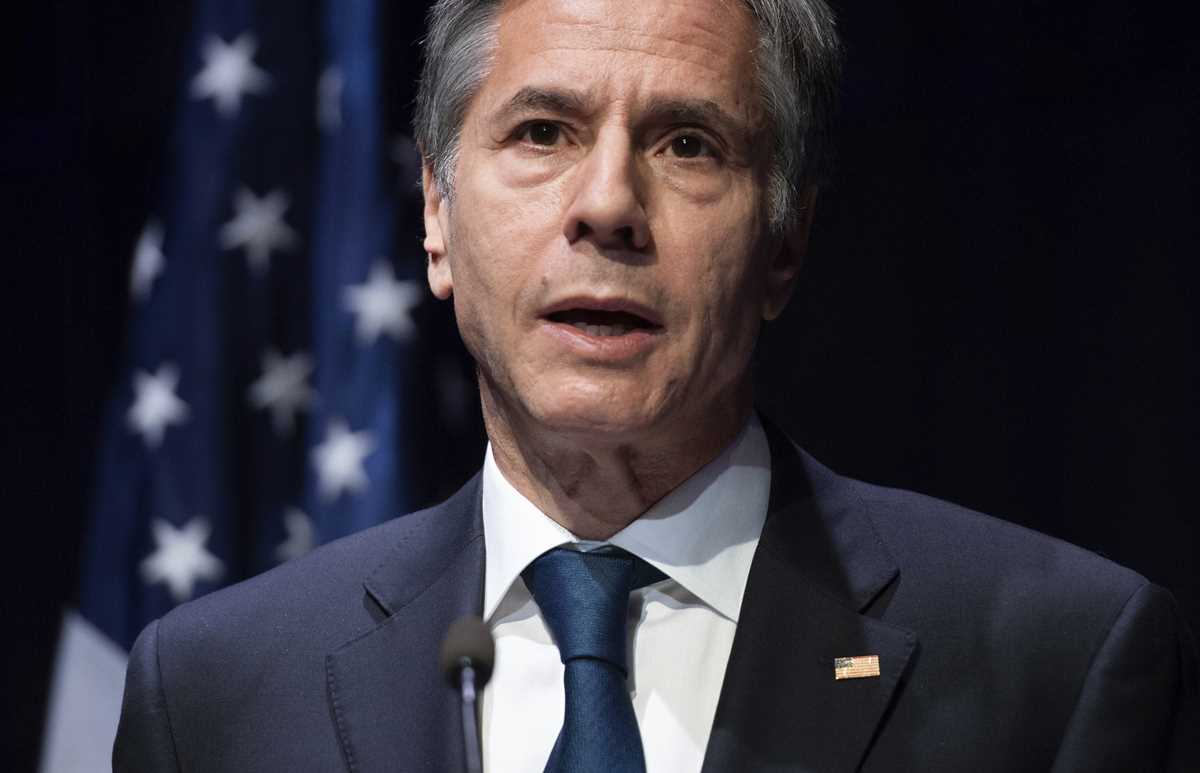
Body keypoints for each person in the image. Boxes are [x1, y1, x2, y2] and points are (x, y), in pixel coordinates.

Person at [113, 0, 1199, 770]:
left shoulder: (1059, 662)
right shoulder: (217, 690)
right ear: (437, 214)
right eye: (543, 132)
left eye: (688, 144)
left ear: (785, 242)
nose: (608, 205)